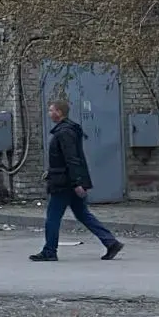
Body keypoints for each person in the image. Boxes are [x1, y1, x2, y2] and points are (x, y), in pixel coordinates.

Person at [32, 100, 124, 262]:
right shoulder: (68, 130)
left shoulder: (64, 132)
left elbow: (72, 159)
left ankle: (49, 251)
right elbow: (65, 159)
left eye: (51, 110)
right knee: (83, 214)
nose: (49, 113)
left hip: (65, 184)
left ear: (59, 112)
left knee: (53, 217)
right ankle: (111, 242)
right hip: (69, 180)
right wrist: (51, 172)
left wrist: (77, 183)